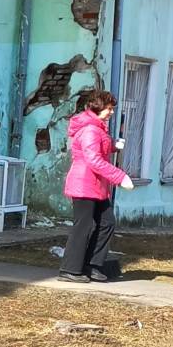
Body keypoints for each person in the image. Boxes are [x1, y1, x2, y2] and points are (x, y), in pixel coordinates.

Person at [59, 87, 133, 281]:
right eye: (109, 107)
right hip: (84, 184)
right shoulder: (91, 129)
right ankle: (70, 269)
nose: (112, 111)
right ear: (99, 106)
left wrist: (114, 146)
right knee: (82, 227)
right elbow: (93, 160)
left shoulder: (97, 127)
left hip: (96, 185)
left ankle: (91, 265)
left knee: (107, 223)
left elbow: (100, 148)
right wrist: (119, 176)